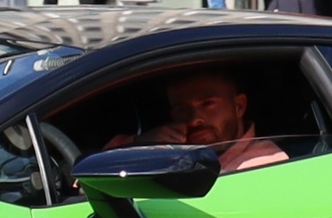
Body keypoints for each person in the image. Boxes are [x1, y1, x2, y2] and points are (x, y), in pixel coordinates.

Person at [110, 68, 288, 175]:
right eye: (182, 110)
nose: (195, 119)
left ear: (239, 107)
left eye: (208, 104)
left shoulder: (265, 165)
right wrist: (139, 145)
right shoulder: (170, 153)